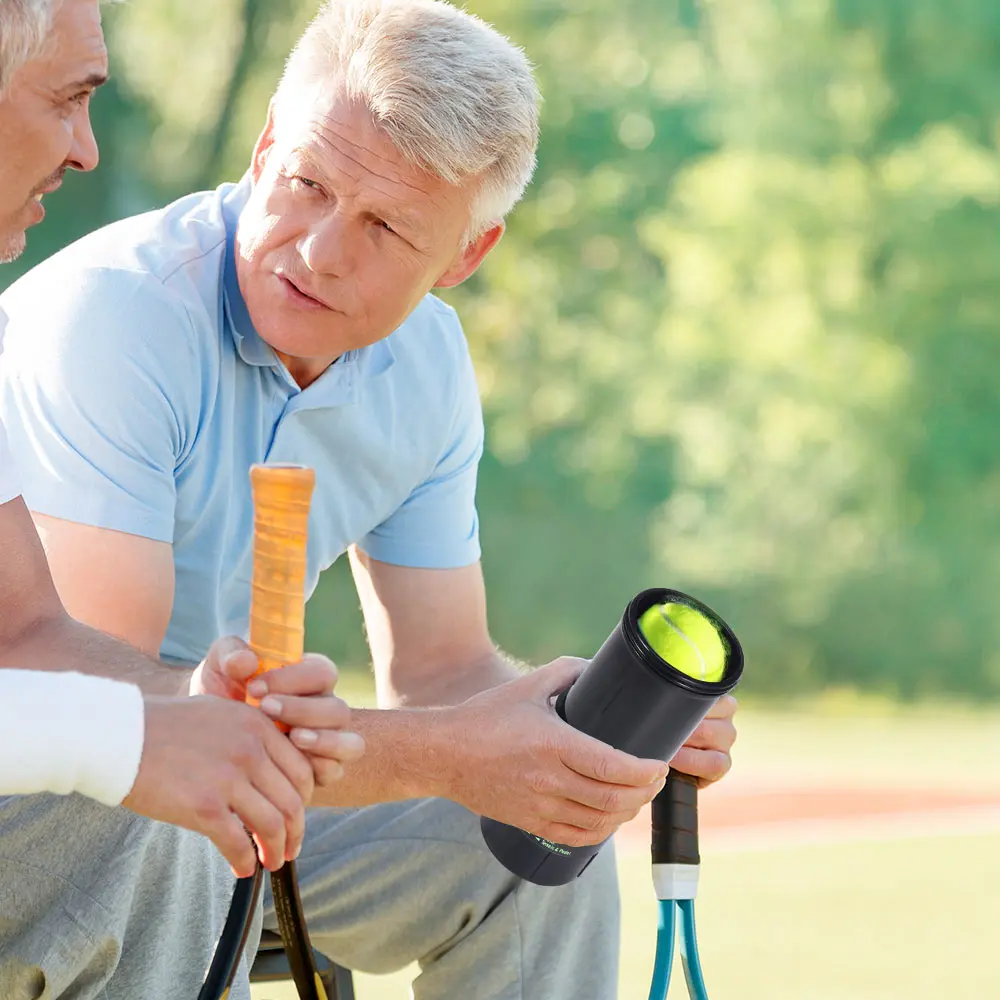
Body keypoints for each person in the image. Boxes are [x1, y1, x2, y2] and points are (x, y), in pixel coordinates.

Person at [0, 1, 739, 998]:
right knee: (171, 799)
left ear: (464, 256)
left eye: (385, 226)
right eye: (307, 184)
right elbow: (122, 710)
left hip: (244, 791)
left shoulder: (427, 364)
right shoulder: (117, 315)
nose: (318, 250)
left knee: (536, 831)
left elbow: (441, 673)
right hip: (91, 801)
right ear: (265, 147)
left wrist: (572, 740)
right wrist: (449, 752)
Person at [0, 0, 364, 889]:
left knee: (194, 787)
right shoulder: (118, 309)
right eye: (67, 99)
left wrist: (195, 708)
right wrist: (130, 739)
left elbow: (23, 628)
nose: (87, 150)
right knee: (156, 813)